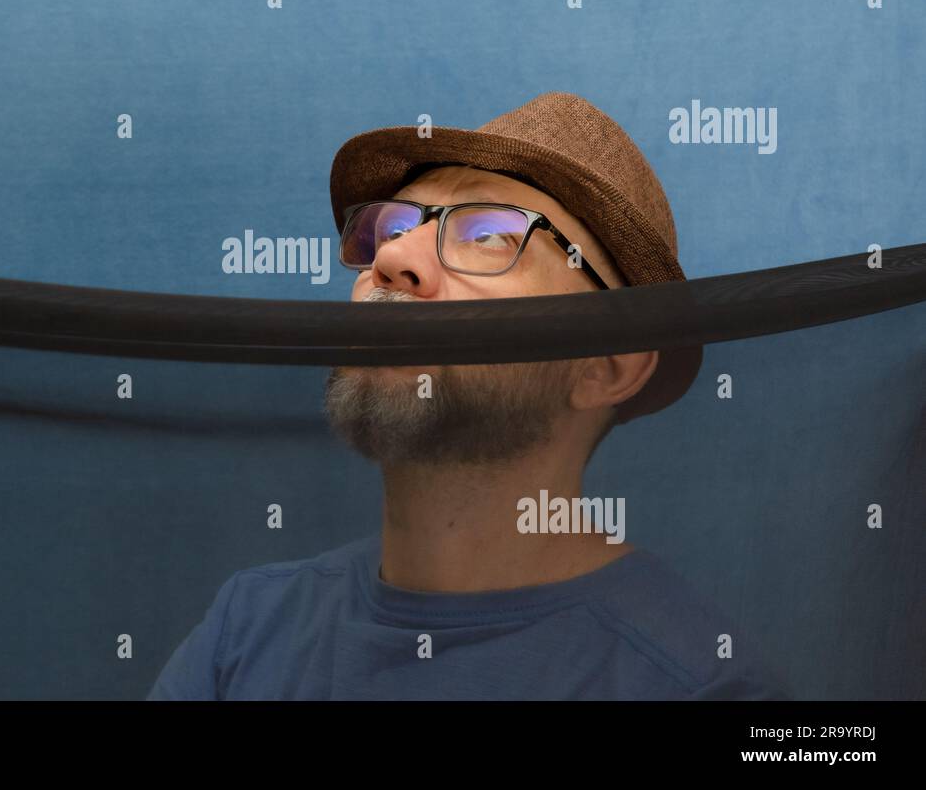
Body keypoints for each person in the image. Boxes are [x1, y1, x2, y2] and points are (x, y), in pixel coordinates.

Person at [148, 91, 789, 700]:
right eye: (391, 226)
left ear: (606, 366)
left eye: (488, 237)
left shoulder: (702, 687)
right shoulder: (244, 634)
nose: (396, 259)